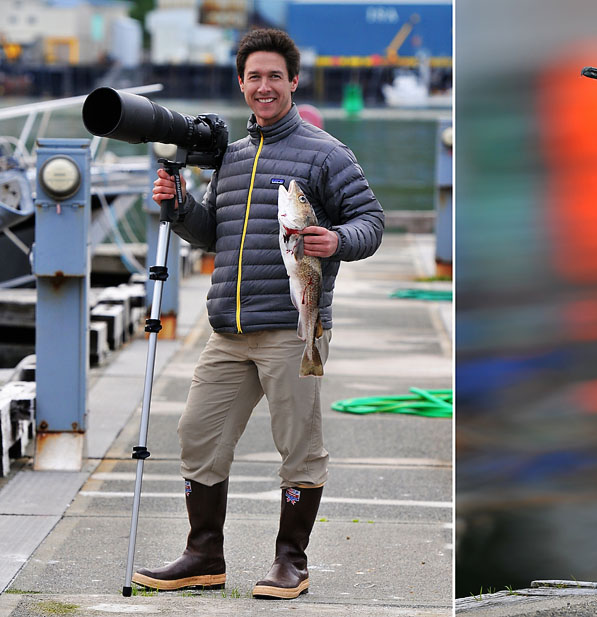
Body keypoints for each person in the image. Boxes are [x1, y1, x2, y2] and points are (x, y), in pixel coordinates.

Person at [130, 28, 384, 599]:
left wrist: (335, 240)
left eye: (274, 76)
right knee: (197, 434)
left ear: (293, 81)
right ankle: (203, 557)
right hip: (228, 328)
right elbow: (209, 235)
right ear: (241, 84)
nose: (263, 87)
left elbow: (372, 224)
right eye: (253, 77)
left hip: (296, 327)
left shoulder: (327, 153)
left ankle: (291, 562)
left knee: (298, 446)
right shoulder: (234, 156)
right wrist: (177, 205)